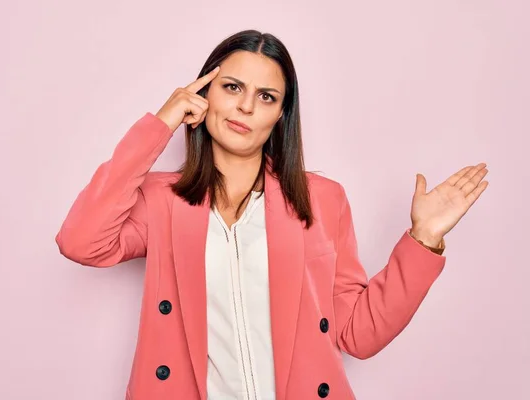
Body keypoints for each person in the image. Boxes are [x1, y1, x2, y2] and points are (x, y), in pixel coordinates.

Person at [55, 29, 489, 400]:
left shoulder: (322, 200)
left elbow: (358, 333)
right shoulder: (160, 199)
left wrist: (423, 239)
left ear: (280, 114)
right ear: (203, 94)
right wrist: (160, 124)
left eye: (266, 96)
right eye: (232, 88)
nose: (246, 107)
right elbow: (81, 241)